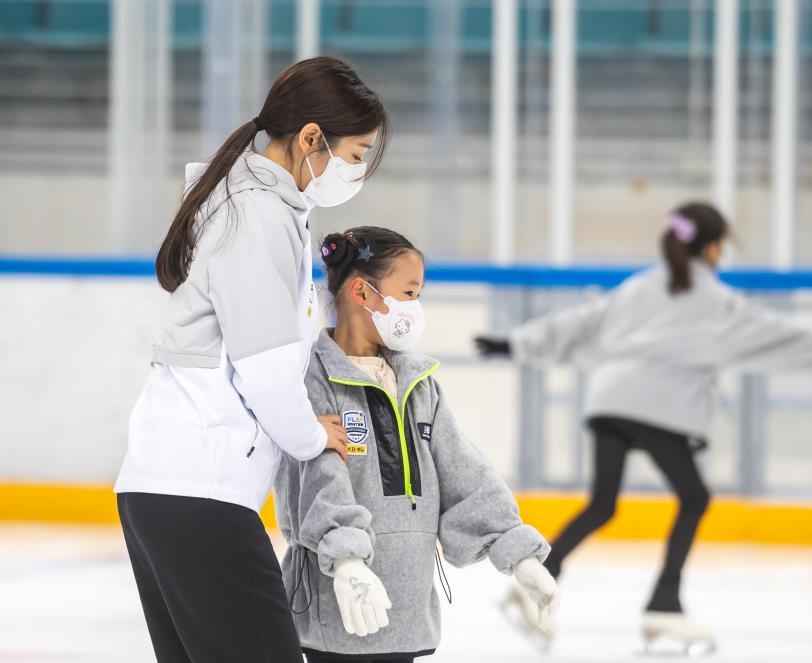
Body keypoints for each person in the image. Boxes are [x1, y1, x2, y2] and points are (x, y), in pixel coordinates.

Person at [114, 57, 389, 662]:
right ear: (312, 138)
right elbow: (265, 370)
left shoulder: (253, 203)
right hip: (199, 494)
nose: (357, 172)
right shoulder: (258, 216)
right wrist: (312, 438)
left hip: (168, 490)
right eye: (355, 155)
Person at [475, 202, 812, 652]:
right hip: (657, 405)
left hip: (609, 399)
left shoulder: (640, 287)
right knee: (695, 497)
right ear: (712, 248)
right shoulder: (716, 301)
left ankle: (534, 580)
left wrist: (513, 343)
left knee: (602, 504)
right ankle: (664, 604)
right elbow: (779, 336)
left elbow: (580, 322)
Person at [273, 226, 561, 663]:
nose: (415, 307)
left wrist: (518, 555)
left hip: (407, 614)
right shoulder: (314, 381)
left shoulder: (418, 384)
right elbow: (319, 480)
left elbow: (465, 475)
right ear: (361, 292)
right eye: (408, 293)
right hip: (340, 607)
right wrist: (348, 561)